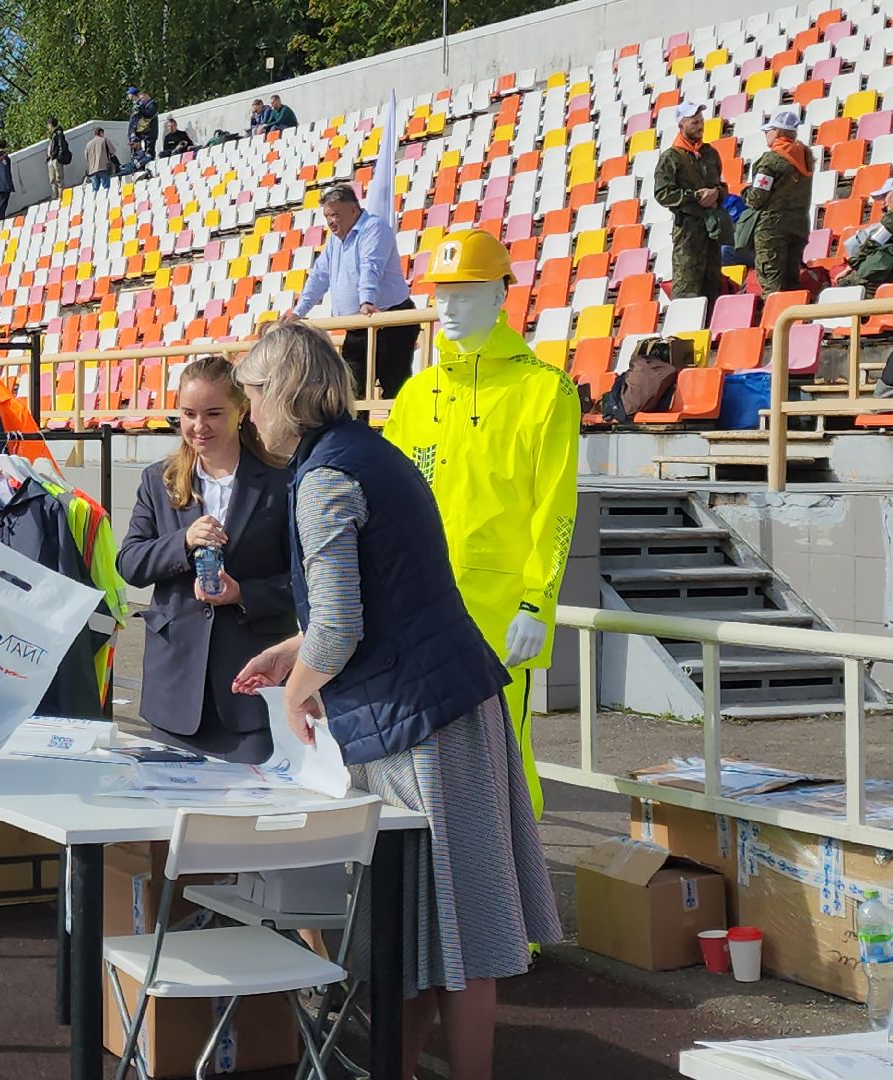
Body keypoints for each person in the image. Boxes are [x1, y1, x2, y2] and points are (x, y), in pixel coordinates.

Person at [231, 322, 560, 1080]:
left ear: (282, 392)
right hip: (445, 705)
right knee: (423, 929)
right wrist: (294, 654)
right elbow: (374, 597)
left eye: (251, 396)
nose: (249, 415)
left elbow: (342, 626)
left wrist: (298, 691)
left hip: (422, 725)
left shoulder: (323, 480)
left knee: (453, 927)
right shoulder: (369, 454)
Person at [381, 230, 580, 823]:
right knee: (423, 749)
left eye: (465, 294)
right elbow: (389, 502)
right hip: (418, 607)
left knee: (503, 752)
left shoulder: (545, 391)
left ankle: (520, 876)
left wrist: (537, 603)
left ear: (500, 297)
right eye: (443, 295)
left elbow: (556, 506)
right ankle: (443, 879)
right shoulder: (417, 395)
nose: (449, 309)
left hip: (497, 610)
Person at [117, 356, 295, 763]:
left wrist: (242, 594)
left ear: (242, 411)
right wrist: (182, 542)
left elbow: (304, 582)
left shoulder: (283, 482)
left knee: (243, 820)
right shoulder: (158, 479)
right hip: (174, 688)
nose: (200, 426)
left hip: (249, 685)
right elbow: (130, 564)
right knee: (167, 816)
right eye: (189, 414)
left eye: (214, 413)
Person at [285, 186, 421, 399]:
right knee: (353, 389)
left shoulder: (374, 228)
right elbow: (319, 275)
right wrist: (299, 311)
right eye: (327, 216)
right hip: (359, 326)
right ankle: (360, 431)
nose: (331, 221)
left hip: (389, 321)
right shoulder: (334, 243)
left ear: (353, 211)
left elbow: (371, 265)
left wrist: (367, 299)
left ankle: (397, 432)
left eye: (335, 214)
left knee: (395, 387)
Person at [654, 102, 730, 301]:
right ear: (681, 125)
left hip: (711, 231)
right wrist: (695, 197)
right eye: (694, 122)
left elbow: (722, 185)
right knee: (687, 288)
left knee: (712, 286)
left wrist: (717, 193)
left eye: (701, 121)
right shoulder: (671, 158)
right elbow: (663, 193)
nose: (700, 126)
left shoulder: (710, 153)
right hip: (688, 231)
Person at [743, 109, 813, 296]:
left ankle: (776, 322)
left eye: (768, 130)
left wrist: (746, 192)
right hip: (799, 225)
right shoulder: (805, 155)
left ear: (776, 131)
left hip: (772, 229)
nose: (766, 135)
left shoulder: (770, 161)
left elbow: (757, 198)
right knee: (791, 282)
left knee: (772, 282)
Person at [844, 177, 893, 296]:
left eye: (886, 196)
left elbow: (877, 240)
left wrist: (855, 262)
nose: (884, 202)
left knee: (866, 272)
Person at [127, 87, 158, 163]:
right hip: (143, 133)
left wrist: (140, 108)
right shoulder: (142, 106)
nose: (141, 101)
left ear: (146, 96)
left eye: (142, 98)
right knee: (141, 153)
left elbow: (148, 114)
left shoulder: (153, 104)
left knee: (149, 151)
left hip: (150, 132)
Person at [46, 117, 71, 195]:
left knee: (59, 178)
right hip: (52, 158)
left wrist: (59, 157)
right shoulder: (53, 134)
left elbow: (61, 146)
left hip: (56, 159)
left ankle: (61, 195)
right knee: (52, 179)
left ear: (51, 124)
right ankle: (55, 195)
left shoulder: (58, 133)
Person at [85, 127, 113, 192]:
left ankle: (95, 201)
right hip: (103, 168)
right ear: (101, 133)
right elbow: (113, 150)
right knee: (106, 188)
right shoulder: (105, 141)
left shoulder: (88, 144)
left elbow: (86, 158)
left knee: (95, 190)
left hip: (92, 170)